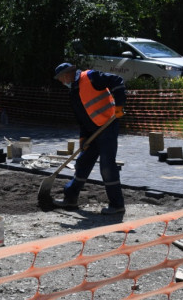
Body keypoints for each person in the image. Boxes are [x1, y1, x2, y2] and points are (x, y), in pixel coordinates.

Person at [52, 62, 127, 215]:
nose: (61, 82)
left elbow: (117, 80)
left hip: (107, 126)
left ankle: (117, 205)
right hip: (92, 131)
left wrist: (119, 106)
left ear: (67, 74)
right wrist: (83, 138)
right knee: (82, 162)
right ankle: (70, 198)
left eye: (60, 79)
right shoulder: (73, 92)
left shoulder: (91, 77)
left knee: (107, 166)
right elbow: (82, 119)